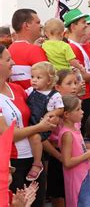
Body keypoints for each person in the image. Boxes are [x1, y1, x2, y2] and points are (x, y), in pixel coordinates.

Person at [0, 45, 56, 207]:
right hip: (11, 164)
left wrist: (54, 113)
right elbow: (6, 134)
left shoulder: (17, 89)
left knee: (37, 203)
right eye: (8, 59)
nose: (14, 62)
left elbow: (39, 110)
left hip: (33, 159)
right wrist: (40, 127)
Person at [44, 69, 81, 207]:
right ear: (58, 87)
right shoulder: (53, 109)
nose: (74, 87)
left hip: (75, 156)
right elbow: (44, 138)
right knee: (59, 195)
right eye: (69, 83)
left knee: (74, 194)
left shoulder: (76, 104)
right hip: (58, 156)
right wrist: (59, 156)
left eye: (75, 83)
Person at [64, 9, 90, 130]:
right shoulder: (71, 47)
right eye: (83, 22)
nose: (86, 25)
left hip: (89, 95)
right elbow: (82, 77)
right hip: (84, 97)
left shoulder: (78, 46)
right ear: (73, 26)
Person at [25, 62, 64, 182]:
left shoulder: (54, 95)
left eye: (38, 77)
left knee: (36, 137)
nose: (34, 80)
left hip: (43, 125)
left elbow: (60, 108)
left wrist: (51, 114)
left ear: (49, 80)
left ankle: (37, 164)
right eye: (32, 77)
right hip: (31, 122)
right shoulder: (30, 90)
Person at [58, 95, 90, 207]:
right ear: (66, 114)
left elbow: (80, 149)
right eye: (78, 109)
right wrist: (87, 155)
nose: (82, 112)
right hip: (76, 178)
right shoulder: (67, 134)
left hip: (83, 173)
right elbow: (67, 162)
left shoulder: (75, 128)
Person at [9, 9, 48, 89]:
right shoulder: (34, 50)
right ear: (26, 25)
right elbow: (48, 81)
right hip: (37, 99)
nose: (41, 25)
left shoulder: (9, 50)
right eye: (37, 22)